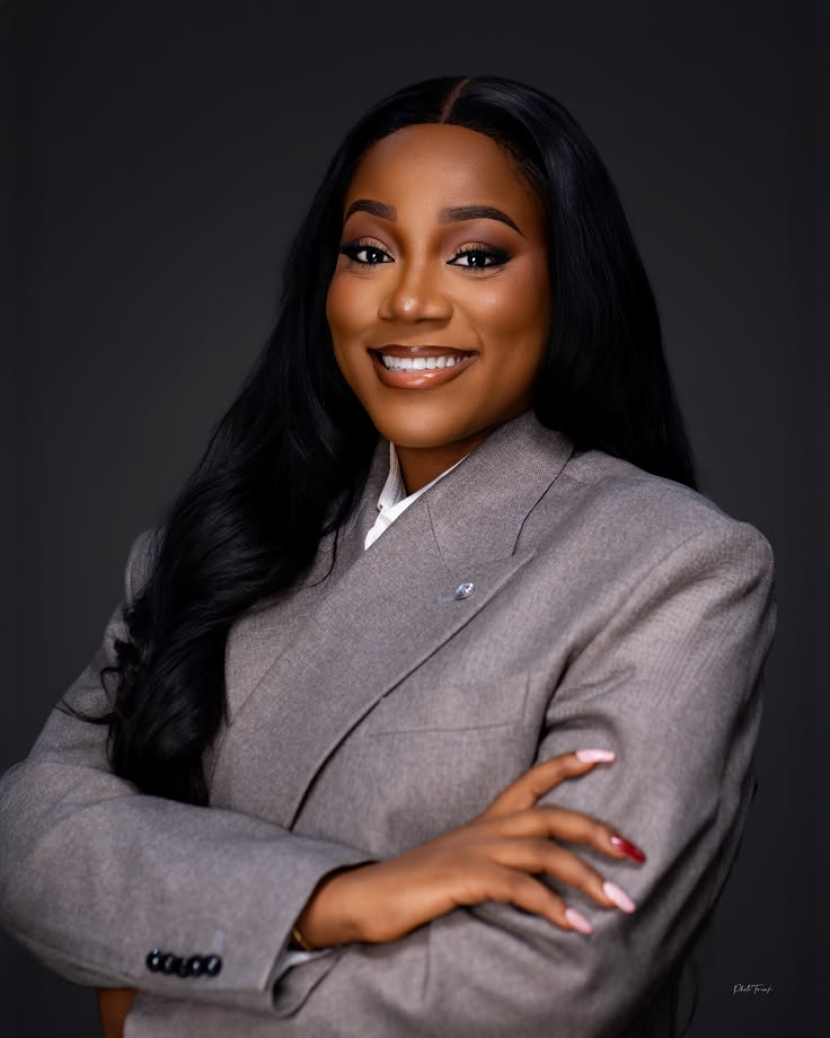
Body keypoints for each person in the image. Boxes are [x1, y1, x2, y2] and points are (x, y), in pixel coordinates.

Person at [0, 74, 776, 1038]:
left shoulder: (670, 565)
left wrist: (147, 1015)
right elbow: (29, 833)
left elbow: (560, 977)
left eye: (476, 255)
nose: (409, 300)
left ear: (568, 283)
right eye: (369, 251)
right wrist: (336, 898)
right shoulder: (215, 542)